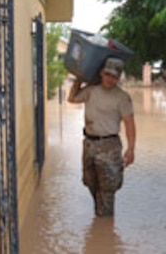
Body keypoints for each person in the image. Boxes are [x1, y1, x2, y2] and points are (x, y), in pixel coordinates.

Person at [68, 57, 136, 217]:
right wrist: (79, 79)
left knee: (107, 189)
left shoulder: (122, 97)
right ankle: (100, 220)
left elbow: (129, 124)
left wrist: (131, 148)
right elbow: (72, 99)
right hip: (89, 144)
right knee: (90, 182)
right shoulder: (91, 90)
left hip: (109, 146)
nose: (110, 79)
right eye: (107, 74)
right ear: (101, 73)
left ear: (118, 78)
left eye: (114, 77)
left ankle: (105, 229)